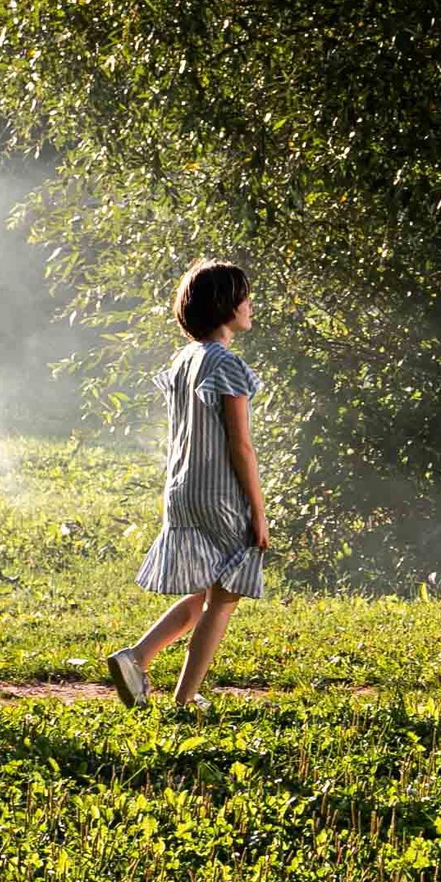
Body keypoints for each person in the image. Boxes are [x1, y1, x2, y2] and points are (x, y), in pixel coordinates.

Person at [105, 258, 270, 707]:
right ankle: (184, 700)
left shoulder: (183, 361)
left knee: (203, 588)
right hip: (219, 494)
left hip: (182, 491)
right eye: (243, 295)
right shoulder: (228, 365)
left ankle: (136, 658)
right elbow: (241, 446)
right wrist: (258, 508)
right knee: (226, 596)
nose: (250, 303)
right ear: (224, 305)